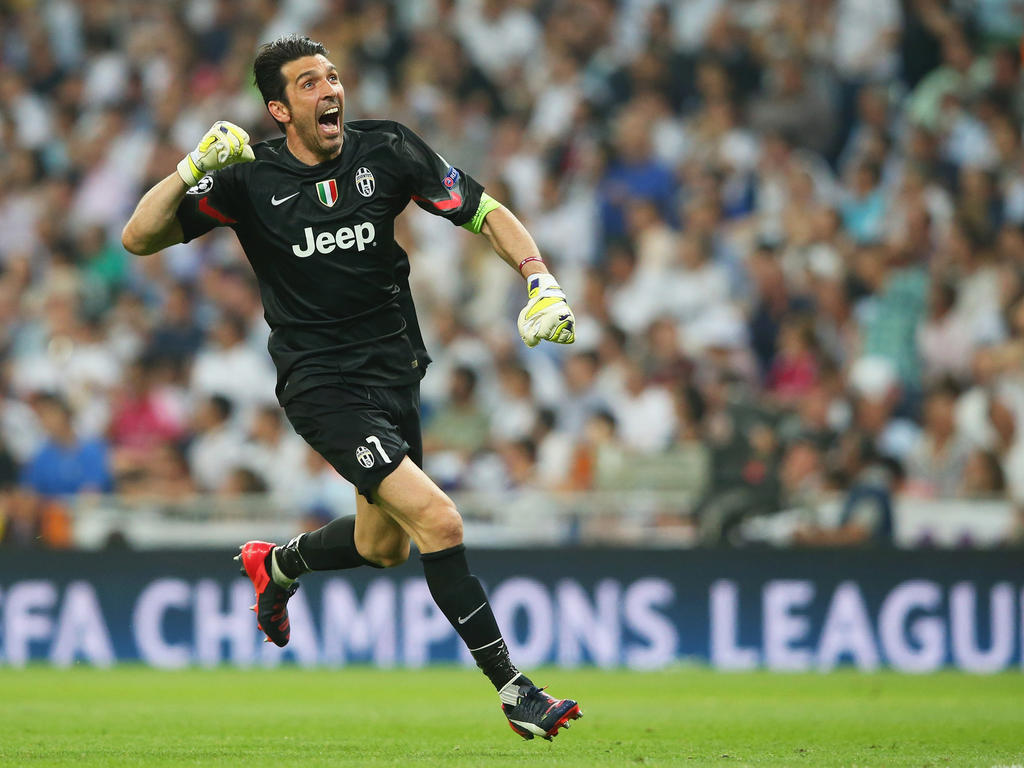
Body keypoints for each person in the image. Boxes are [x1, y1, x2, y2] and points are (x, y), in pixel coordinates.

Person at [122, 34, 580, 741]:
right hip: (321, 384)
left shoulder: (388, 149)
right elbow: (138, 237)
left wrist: (538, 278)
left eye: (332, 77)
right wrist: (188, 169)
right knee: (440, 522)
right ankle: (515, 688)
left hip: (395, 372)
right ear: (278, 108)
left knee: (385, 546)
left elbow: (485, 210)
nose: (330, 90)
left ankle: (276, 565)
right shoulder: (248, 180)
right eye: (308, 83)